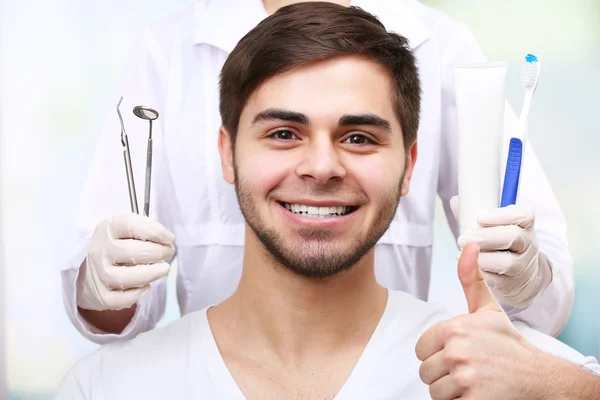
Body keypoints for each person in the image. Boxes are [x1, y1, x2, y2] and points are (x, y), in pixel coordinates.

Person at [56, 5, 598, 399]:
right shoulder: (107, 387)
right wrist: (103, 282)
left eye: (359, 137)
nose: (320, 167)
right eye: (283, 134)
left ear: (410, 163)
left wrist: (530, 300)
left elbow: (541, 300)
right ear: (227, 151)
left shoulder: (440, 44)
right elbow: (115, 305)